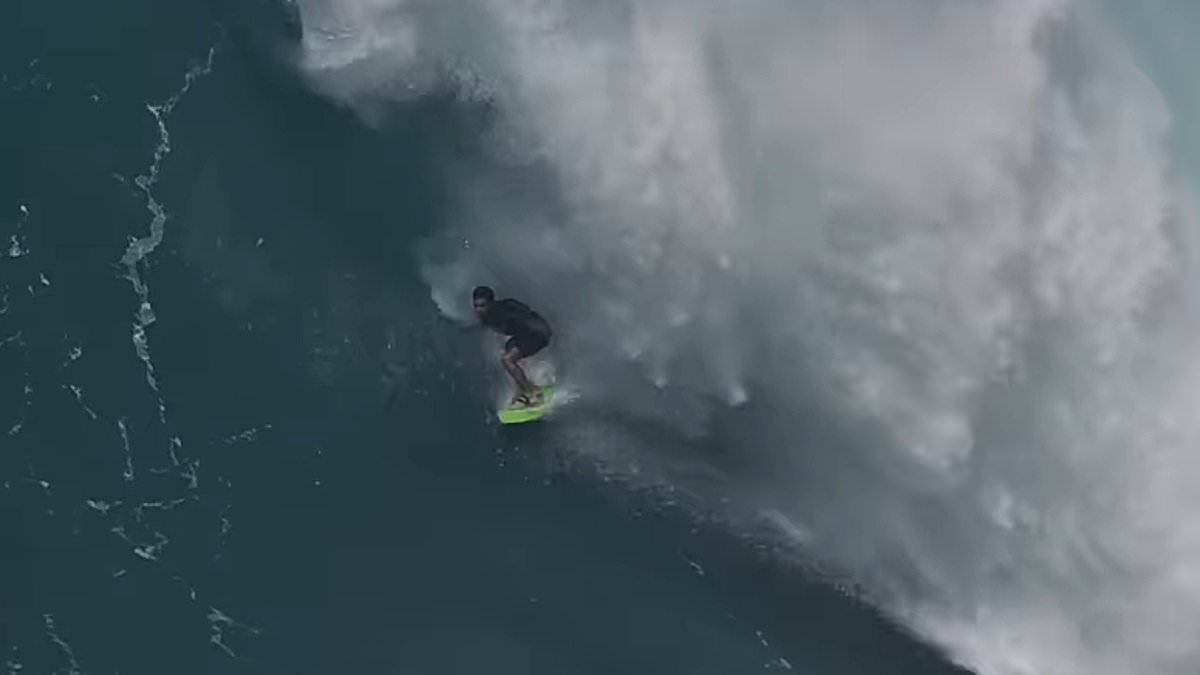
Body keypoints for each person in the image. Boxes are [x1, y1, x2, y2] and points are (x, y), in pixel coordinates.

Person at [472, 285, 553, 408]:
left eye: (482, 306)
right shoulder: (488, 315)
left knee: (507, 359)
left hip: (538, 333)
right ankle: (524, 387)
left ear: (492, 303)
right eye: (476, 306)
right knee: (507, 351)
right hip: (525, 334)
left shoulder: (505, 314)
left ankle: (533, 393)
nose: (479, 310)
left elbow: (527, 316)